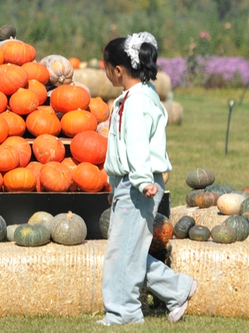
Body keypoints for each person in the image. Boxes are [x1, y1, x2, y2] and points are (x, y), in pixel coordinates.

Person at [98, 32, 197, 326]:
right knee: (130, 249)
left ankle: (123, 313)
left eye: (106, 66)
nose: (105, 72)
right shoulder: (140, 94)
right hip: (130, 182)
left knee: (123, 252)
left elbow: (138, 144)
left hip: (138, 183)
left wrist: (141, 181)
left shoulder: (137, 101)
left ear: (117, 69)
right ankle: (178, 289)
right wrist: (115, 185)